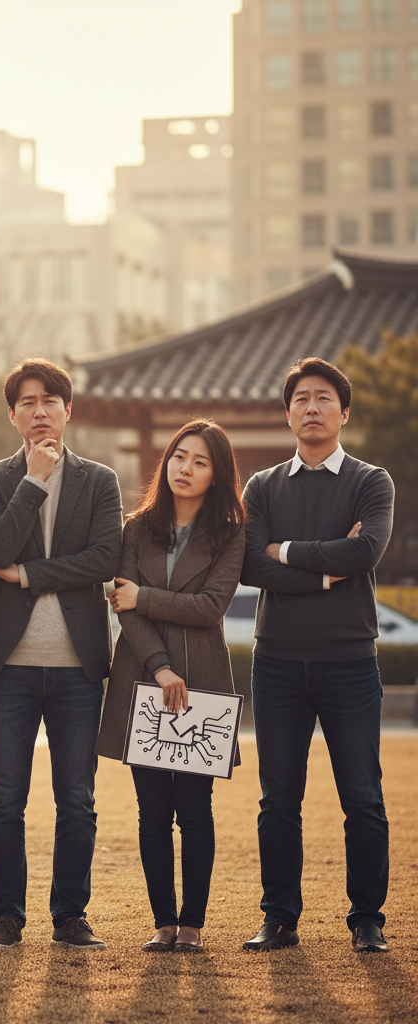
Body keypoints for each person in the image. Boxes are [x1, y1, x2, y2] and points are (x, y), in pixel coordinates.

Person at [240, 357, 393, 955]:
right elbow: (250, 565)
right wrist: (324, 572)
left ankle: (367, 919)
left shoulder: (370, 480)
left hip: (350, 661)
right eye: (300, 398)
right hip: (276, 660)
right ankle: (278, 917)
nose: (311, 407)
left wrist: (287, 551)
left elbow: (367, 553)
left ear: (343, 411)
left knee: (362, 795)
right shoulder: (263, 486)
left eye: (323, 398)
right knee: (279, 798)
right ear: (287, 413)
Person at [0, 357, 122, 952]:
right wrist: (33, 481)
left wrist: (28, 574)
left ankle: (70, 917)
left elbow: (104, 558)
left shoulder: (100, 480)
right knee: (4, 798)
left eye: (50, 401)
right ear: (12, 414)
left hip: (79, 664)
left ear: (68, 409)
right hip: (8, 665)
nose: (40, 412)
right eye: (27, 403)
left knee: (77, 800)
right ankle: (6, 916)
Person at [97, 419, 246, 954]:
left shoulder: (230, 532)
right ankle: (163, 921)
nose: (186, 468)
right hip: (142, 678)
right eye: (180, 456)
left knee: (196, 810)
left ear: (217, 474)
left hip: (202, 684)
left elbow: (211, 607)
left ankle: (193, 925)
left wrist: (147, 597)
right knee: (153, 811)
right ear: (167, 462)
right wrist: (160, 665)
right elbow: (122, 605)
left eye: (201, 461)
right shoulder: (135, 527)